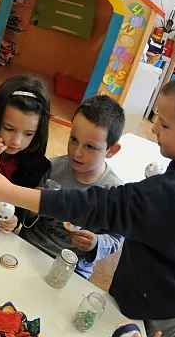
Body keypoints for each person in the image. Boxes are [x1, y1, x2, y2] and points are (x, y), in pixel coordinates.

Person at [0, 73, 175, 337]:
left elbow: (91, 205)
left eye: (165, 124)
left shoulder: (165, 194)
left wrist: (6, 191)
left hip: (160, 305)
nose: (154, 127)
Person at [20, 95, 125, 280]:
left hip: (74, 268)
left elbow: (116, 239)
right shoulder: (51, 168)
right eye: (74, 139)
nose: (77, 152)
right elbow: (25, 218)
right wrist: (32, 208)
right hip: (30, 247)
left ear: (111, 151)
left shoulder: (114, 192)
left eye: (90, 147)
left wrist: (96, 242)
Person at [0, 75, 51, 233]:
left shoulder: (35, 165)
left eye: (28, 134)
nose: (17, 141)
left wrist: (12, 221)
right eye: (9, 129)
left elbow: (19, 214)